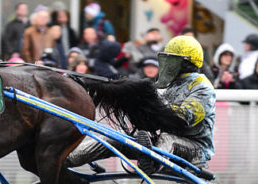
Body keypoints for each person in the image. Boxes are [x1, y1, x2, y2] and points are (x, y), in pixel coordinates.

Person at [67, 35, 216, 175]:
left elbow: (183, 119)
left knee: (167, 138)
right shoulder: (172, 85)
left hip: (196, 149)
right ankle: (68, 157)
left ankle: (151, 163)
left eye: (171, 60)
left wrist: (148, 100)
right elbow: (157, 113)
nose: (166, 65)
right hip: (160, 144)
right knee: (115, 138)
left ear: (185, 63)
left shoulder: (202, 87)